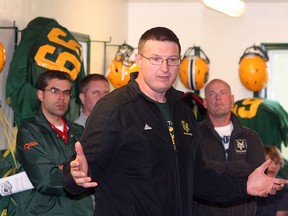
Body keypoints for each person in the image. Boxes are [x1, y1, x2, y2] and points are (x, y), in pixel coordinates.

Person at [62, 27, 288, 216]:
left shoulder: (183, 111)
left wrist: (244, 186)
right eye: (156, 59)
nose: (164, 68)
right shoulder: (115, 108)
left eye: (171, 60)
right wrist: (74, 176)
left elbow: (198, 176)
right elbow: (82, 169)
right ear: (138, 61)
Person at [15, 70, 94, 216]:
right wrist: (75, 173)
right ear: (40, 94)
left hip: (82, 211)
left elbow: (95, 169)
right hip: (44, 211)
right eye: (54, 91)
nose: (61, 98)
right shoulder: (29, 131)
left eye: (66, 92)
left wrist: (59, 167)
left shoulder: (80, 131)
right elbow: (44, 178)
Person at [192, 79, 266, 216]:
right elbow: (195, 173)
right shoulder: (193, 135)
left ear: (232, 100)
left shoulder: (251, 137)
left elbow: (257, 175)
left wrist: (213, 166)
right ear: (205, 102)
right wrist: (241, 166)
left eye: (223, 92)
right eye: (212, 94)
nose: (218, 98)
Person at [257, 146, 288, 216]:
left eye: (277, 163)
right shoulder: (249, 183)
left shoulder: (284, 188)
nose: (274, 166)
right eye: (270, 162)